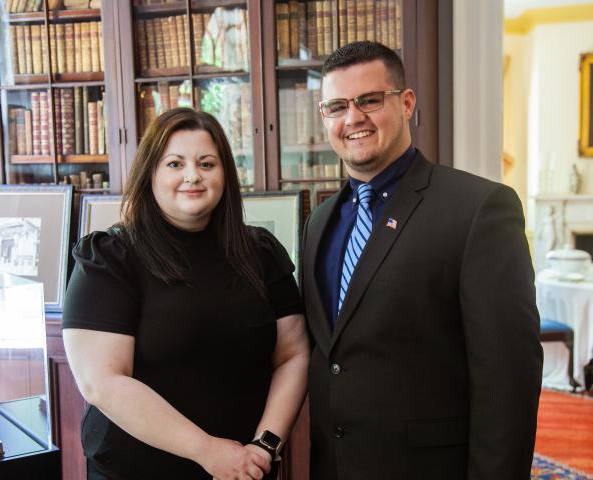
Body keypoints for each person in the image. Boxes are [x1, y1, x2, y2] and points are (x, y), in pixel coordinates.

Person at [301, 41, 543, 479]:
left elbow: (509, 380)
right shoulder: (320, 222)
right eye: (336, 106)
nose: (353, 118)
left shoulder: (478, 209)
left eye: (370, 100)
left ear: (407, 103)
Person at [62, 108, 309, 479]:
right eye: (175, 164)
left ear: (225, 173)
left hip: (245, 469)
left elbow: (293, 354)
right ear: (151, 174)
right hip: (137, 471)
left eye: (207, 164)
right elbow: (102, 382)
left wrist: (265, 444)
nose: (192, 175)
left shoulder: (260, 252)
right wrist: (208, 451)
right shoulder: (110, 258)